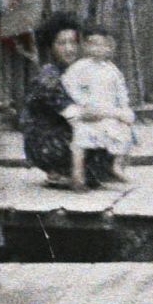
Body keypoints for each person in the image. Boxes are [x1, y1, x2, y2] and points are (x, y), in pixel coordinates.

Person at [20, 14, 116, 190]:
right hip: (46, 141)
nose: (69, 49)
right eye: (61, 43)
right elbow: (75, 115)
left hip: (66, 130)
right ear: (50, 46)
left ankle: (74, 171)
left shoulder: (77, 70)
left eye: (73, 43)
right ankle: (60, 170)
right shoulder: (49, 78)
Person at [62, 27, 136, 189]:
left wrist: (123, 107)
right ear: (85, 47)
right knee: (80, 139)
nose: (97, 49)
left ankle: (116, 165)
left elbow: (120, 90)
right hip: (87, 111)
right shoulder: (79, 67)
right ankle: (77, 175)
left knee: (124, 130)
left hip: (108, 111)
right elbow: (70, 86)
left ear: (108, 48)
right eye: (93, 45)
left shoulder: (111, 70)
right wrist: (82, 102)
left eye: (102, 45)